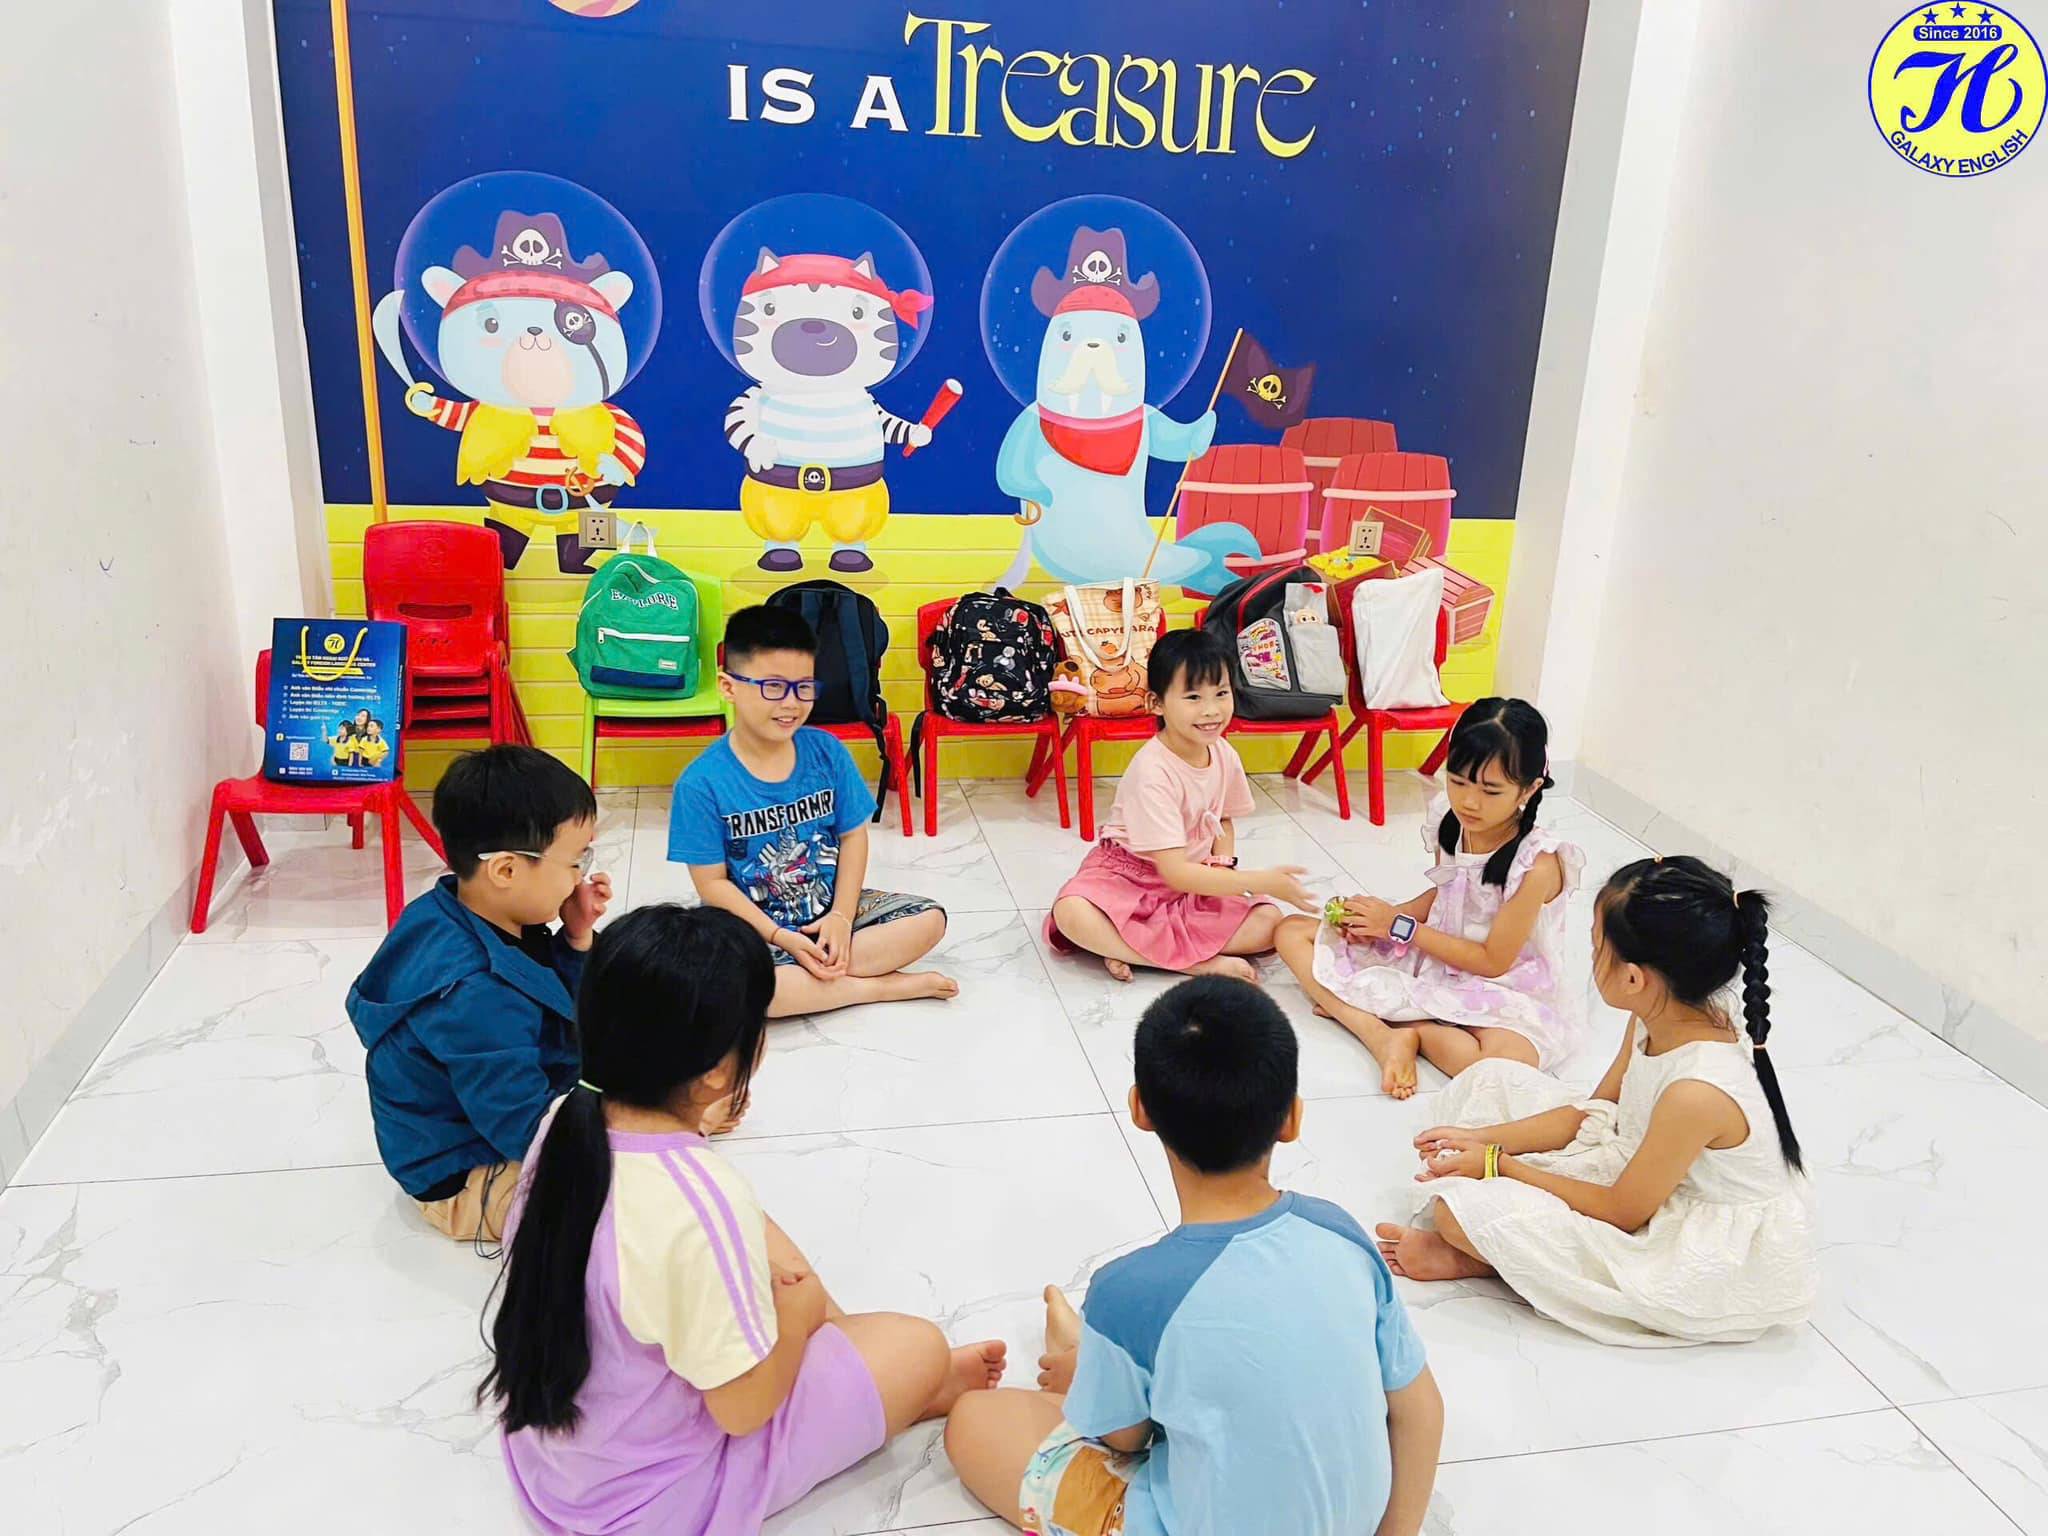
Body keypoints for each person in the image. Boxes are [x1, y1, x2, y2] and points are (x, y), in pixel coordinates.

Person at [484, 904, 1007, 1534]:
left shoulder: (566, 1120)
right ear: (715, 1072)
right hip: (658, 1503)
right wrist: (797, 1319)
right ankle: (897, 1390)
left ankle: (853, 1369)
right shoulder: (699, 1203)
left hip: (561, 1470)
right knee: (917, 1345)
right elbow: (740, 1411)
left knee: (759, 1234)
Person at [945, 977, 1444, 1536]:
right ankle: (1098, 1359)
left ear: (1140, 1109)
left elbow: (1125, 1439)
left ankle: (1093, 1360)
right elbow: (1420, 1406)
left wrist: (1087, 1381)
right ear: (1292, 1119)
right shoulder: (1340, 1233)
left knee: (975, 1420)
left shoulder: (1128, 1291)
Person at [1374, 856, 1818, 1347]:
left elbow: (1623, 1211)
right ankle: (1499, 1250)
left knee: (1457, 1214)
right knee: (1490, 1080)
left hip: (1682, 1233)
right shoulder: (1656, 1013)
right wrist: (1483, 1138)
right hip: (1637, 1161)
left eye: (1595, 946)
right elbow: (1595, 1113)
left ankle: (1485, 1260)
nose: (1589, 957)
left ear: (1633, 978)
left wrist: (1498, 1164)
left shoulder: (1697, 1091)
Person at [346, 744, 610, 1243]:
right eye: (576, 861)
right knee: (621, 1209)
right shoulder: (474, 993)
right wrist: (628, 1132)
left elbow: (555, 1006)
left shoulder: (464, 907)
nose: (583, 876)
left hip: (501, 1116)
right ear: (505, 870)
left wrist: (575, 939)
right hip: (465, 1175)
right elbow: (522, 1127)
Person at [1275, 697, 1583, 1099]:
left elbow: (1492, 961)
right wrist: (1382, 921)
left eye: (1491, 790)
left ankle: (1406, 1026)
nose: (1469, 801)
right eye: (1458, 781)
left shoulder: (1537, 864)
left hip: (1502, 981)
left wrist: (1398, 926)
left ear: (1530, 788)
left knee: (1499, 1067)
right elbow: (1450, 893)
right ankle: (1381, 1034)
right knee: (1290, 931)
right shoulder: (1449, 820)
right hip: (1436, 952)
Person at [668, 604, 955, 1019]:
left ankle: (819, 977)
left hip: (829, 912)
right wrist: (780, 937)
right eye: (773, 687)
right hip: (753, 930)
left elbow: (853, 836)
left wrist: (840, 917)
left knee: (929, 920)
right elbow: (712, 885)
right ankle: (878, 987)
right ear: (729, 687)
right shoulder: (701, 783)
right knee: (737, 989)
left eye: (803, 687)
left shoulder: (827, 752)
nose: (791, 703)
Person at [1046, 629, 1317, 984]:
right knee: (1072, 913)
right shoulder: (1152, 772)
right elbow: (1173, 872)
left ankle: (1126, 947)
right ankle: (1190, 963)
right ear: (1156, 703)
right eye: (1193, 697)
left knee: (1268, 923)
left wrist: (1224, 869)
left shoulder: (1223, 753)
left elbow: (1223, 819)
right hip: (1131, 878)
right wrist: (1257, 880)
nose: (1211, 710)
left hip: (1193, 880)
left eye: (1221, 693)